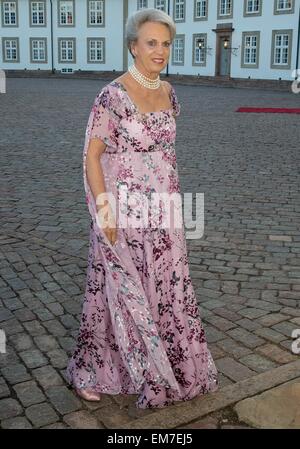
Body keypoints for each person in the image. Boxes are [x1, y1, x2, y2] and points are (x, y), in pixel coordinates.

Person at [66, 8, 218, 409]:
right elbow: (92, 157)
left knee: (166, 290)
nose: (160, 50)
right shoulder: (111, 96)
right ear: (133, 46)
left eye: (165, 43)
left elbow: (166, 154)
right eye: (151, 42)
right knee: (113, 290)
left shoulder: (169, 92)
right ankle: (93, 368)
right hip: (125, 210)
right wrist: (104, 211)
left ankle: (165, 362)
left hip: (165, 210)